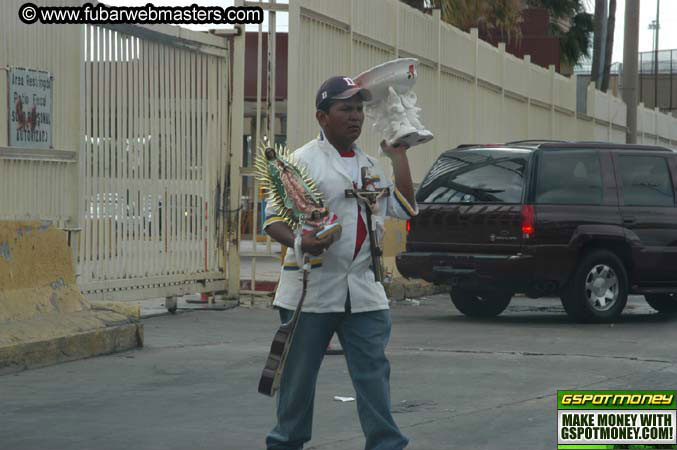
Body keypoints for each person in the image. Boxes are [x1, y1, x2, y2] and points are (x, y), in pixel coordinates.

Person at [263, 75, 418, 450]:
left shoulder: (369, 164)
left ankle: (386, 445)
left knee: (374, 376)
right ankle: (286, 444)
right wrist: (302, 239)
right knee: (297, 381)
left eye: (359, 109)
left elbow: (404, 206)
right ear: (322, 117)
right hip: (311, 289)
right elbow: (273, 219)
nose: (355, 117)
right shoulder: (300, 161)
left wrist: (398, 156)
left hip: (363, 290)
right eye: (345, 108)